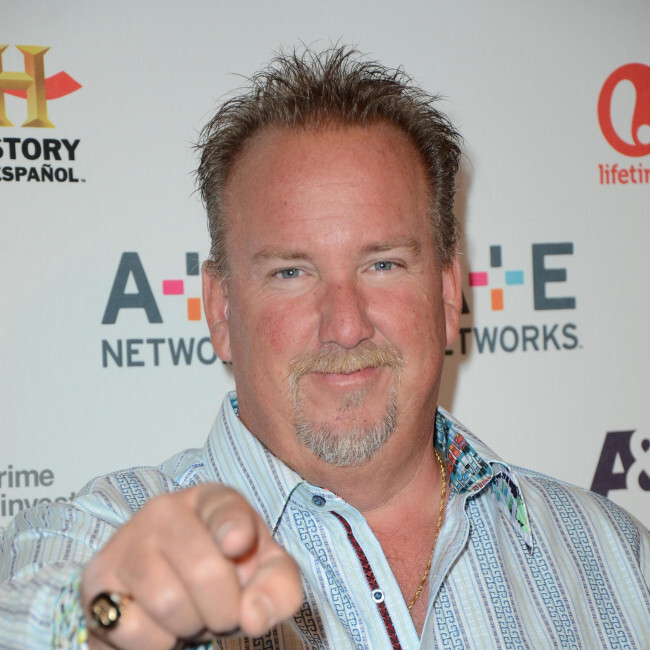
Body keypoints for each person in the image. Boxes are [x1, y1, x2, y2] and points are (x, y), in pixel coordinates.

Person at [1, 46, 649, 650]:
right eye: (291, 272)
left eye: (383, 265)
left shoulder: (616, 554)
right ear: (220, 309)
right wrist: (101, 618)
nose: (345, 325)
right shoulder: (105, 531)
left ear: (449, 294)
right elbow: (29, 616)